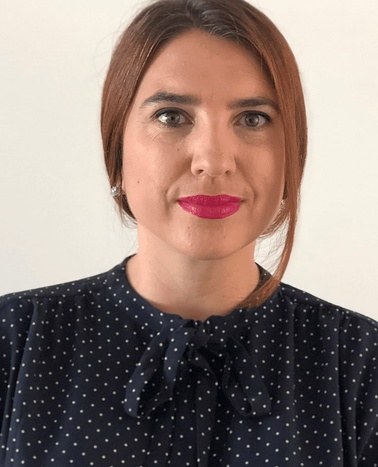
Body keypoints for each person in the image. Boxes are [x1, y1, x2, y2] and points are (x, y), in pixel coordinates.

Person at [1, 0, 377, 465]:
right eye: (172, 117)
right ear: (115, 147)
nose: (213, 160)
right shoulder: (15, 341)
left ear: (291, 154)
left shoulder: (359, 363)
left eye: (253, 119)